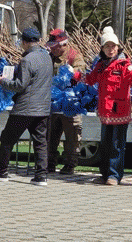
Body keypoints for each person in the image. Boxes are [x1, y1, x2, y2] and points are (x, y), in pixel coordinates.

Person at [0, 27, 54, 186]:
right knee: (40, 142)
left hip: (25, 108)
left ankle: (0, 171)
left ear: (24, 42)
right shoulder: (47, 58)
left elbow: (20, 85)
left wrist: (2, 81)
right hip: (43, 108)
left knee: (7, 138)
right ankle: (41, 175)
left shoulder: (27, 60)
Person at [85, 26, 132, 185]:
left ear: (118, 47)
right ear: (102, 48)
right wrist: (76, 75)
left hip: (120, 110)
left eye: (113, 46)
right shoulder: (100, 64)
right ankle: (104, 174)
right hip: (105, 110)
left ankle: (114, 175)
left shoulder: (124, 64)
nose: (111, 49)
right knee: (105, 144)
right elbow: (91, 79)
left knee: (117, 145)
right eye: (107, 46)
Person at [46, 28, 87, 174]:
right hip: (53, 103)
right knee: (50, 136)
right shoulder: (49, 57)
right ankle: (49, 163)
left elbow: (81, 74)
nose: (53, 49)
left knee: (72, 137)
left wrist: (71, 73)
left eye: (55, 47)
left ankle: (70, 165)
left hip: (70, 104)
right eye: (51, 46)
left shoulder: (74, 56)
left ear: (64, 44)